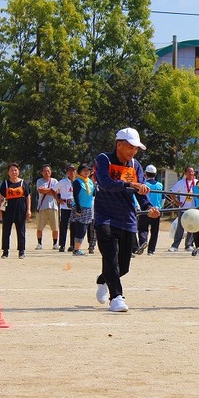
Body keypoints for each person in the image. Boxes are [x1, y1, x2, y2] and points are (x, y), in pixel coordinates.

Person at [93, 127, 159, 312]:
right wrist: (130, 184)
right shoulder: (103, 159)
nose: (133, 151)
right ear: (119, 145)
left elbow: (141, 194)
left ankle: (102, 279)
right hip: (105, 217)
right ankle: (117, 298)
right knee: (110, 257)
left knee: (123, 267)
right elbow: (105, 183)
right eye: (130, 147)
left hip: (128, 219)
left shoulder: (135, 165)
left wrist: (148, 208)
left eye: (136, 148)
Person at [0, 162, 31, 259]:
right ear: (8, 172)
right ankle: (5, 251)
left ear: (18, 171)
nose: (14, 172)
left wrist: (28, 210)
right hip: (8, 210)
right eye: (11, 170)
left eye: (15, 170)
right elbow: (0, 197)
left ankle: (21, 251)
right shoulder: (5, 183)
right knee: (6, 231)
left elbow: (28, 197)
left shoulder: (23, 183)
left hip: (20, 209)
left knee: (21, 230)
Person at [168, 166, 197, 252]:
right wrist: (176, 202)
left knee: (191, 227)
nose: (191, 173)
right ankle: (175, 245)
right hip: (183, 208)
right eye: (189, 172)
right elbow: (171, 192)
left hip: (193, 209)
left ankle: (188, 245)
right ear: (185, 173)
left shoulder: (197, 182)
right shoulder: (181, 183)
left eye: (192, 172)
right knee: (180, 227)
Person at [69, 163, 95, 256]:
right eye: (84, 170)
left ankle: (77, 248)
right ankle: (76, 249)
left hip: (88, 208)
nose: (86, 172)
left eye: (88, 170)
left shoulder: (90, 181)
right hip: (80, 207)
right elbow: (75, 195)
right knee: (81, 228)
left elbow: (93, 193)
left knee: (84, 228)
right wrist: (78, 208)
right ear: (80, 171)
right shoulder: (77, 181)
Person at [138, 165, 163, 256]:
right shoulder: (160, 185)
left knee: (143, 228)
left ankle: (143, 242)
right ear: (155, 174)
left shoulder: (144, 185)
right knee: (154, 231)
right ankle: (151, 250)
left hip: (145, 210)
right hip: (157, 210)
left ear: (145, 174)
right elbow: (162, 198)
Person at [35, 164, 59, 250]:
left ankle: (55, 243)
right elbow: (41, 190)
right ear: (42, 172)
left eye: (48, 171)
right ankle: (39, 243)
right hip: (42, 206)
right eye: (45, 171)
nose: (47, 172)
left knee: (55, 227)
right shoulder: (39, 181)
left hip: (53, 206)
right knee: (39, 226)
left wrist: (49, 191)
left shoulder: (55, 181)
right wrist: (51, 190)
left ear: (51, 172)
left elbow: (57, 191)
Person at [53, 164, 77, 253]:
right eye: (70, 170)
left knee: (74, 226)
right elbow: (52, 190)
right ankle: (62, 245)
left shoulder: (77, 181)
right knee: (63, 226)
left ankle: (72, 245)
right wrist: (58, 199)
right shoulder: (63, 182)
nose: (72, 172)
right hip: (65, 207)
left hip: (74, 206)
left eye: (73, 170)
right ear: (67, 172)